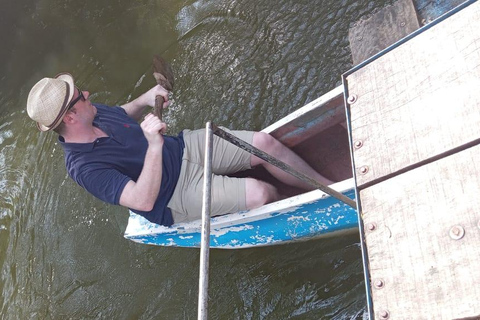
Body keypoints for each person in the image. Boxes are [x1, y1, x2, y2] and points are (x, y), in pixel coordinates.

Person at [27, 73, 333, 226]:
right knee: (261, 194)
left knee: (264, 143)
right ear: (70, 117)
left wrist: (146, 98)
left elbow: (121, 113)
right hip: (173, 195)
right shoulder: (84, 169)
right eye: (81, 95)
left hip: (182, 147)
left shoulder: (92, 111)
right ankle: (306, 210)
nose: (87, 93)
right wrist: (153, 146)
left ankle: (331, 187)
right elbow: (142, 201)